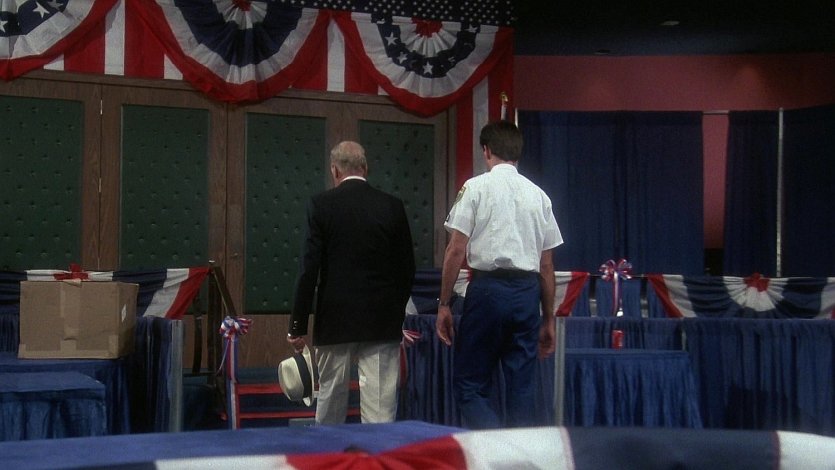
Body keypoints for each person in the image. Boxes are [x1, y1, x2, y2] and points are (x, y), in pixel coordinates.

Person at [435, 120, 563, 429]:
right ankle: (517, 451)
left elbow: (455, 250)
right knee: (522, 391)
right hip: (527, 294)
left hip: (488, 291)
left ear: (486, 150)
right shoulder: (540, 196)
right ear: (518, 153)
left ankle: (495, 444)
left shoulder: (475, 188)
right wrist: (548, 318)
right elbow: (547, 266)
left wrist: (444, 304)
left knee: (469, 386)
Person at [287, 140, 415, 425]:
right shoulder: (392, 206)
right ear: (365, 168)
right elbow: (407, 268)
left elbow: (308, 269)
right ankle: (377, 453)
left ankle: (330, 451)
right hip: (381, 320)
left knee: (330, 405)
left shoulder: (320, 205)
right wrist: (396, 315)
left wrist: (297, 324)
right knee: (380, 412)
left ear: (334, 170)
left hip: (335, 318)